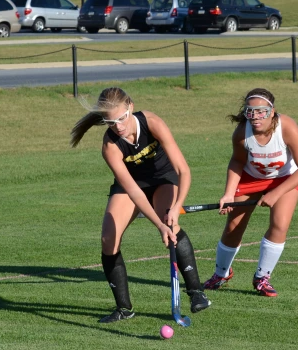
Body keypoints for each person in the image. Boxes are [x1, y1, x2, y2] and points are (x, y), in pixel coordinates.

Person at [71, 87, 211, 323]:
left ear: (130, 107)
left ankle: (197, 293)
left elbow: (183, 170)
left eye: (121, 118)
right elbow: (134, 192)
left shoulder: (152, 122)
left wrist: (176, 207)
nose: (118, 126)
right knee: (108, 238)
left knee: (171, 224)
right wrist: (158, 225)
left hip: (163, 178)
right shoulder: (110, 145)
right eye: (110, 121)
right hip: (131, 186)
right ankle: (124, 308)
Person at [202, 88, 298, 297]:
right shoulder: (242, 133)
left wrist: (276, 193)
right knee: (234, 226)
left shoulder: (287, 127)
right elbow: (237, 161)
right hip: (251, 178)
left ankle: (262, 277)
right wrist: (228, 194)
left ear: (272, 111)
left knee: (280, 224)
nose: (255, 117)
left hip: (285, 178)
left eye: (261, 111)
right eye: (250, 112)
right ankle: (221, 273)